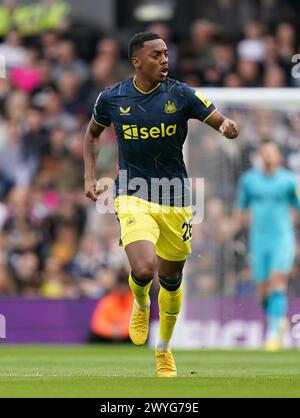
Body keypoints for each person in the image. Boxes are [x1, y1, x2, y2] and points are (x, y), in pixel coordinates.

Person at [84, 32, 239, 377]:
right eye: (156, 55)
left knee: (170, 279)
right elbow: (92, 133)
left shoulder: (181, 94)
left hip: (176, 198)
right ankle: (140, 302)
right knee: (142, 269)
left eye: (167, 53)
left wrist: (227, 127)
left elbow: (217, 120)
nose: (165, 60)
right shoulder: (112, 97)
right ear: (137, 61)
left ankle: (164, 350)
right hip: (133, 191)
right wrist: (89, 176)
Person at [235, 140, 300, 351]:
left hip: (282, 238)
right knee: (263, 290)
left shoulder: (290, 181)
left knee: (276, 280)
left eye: (272, 152)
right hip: (258, 240)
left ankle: (273, 334)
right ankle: (278, 320)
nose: (268, 156)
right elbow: (241, 209)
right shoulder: (249, 180)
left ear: (279, 156)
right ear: (260, 156)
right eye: (264, 153)